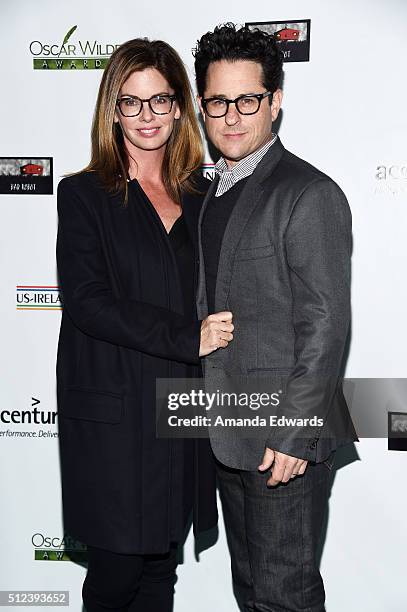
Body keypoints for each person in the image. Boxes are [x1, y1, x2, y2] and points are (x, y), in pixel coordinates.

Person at [56, 37, 234, 612]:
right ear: (113, 109)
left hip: (179, 414)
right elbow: (87, 301)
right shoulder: (83, 195)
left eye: (160, 100)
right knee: (114, 578)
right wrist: (187, 335)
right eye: (132, 102)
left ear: (181, 106)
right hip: (114, 419)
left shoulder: (203, 195)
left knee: (160, 575)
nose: (148, 115)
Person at [193, 23, 358, 612]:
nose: (232, 116)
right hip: (228, 431)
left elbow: (326, 325)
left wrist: (295, 431)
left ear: (275, 102)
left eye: (248, 99)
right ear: (202, 105)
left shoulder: (307, 193)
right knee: (253, 592)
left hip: (284, 441)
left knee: (284, 597)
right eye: (218, 101)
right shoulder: (210, 192)